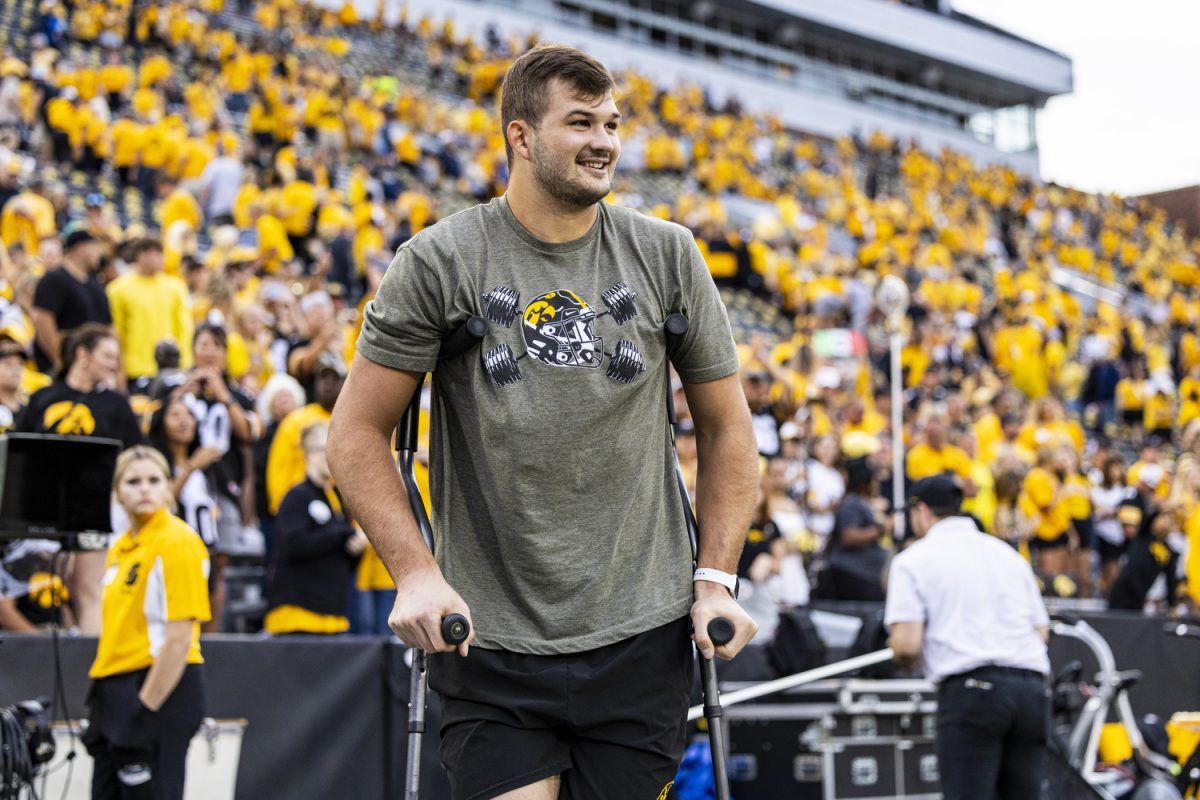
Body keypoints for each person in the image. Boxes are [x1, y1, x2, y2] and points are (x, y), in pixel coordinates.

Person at [328, 43, 758, 800]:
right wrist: (417, 575)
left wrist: (716, 580)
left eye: (613, 123)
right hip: (489, 636)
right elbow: (356, 433)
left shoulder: (668, 256)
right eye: (581, 122)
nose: (604, 142)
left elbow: (727, 429)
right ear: (520, 137)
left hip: (641, 633)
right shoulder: (438, 262)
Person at [884, 474, 1050, 800]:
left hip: (973, 692)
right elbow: (1040, 632)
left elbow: (906, 645)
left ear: (922, 510)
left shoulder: (913, 560)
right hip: (1031, 691)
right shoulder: (1007, 554)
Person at [83, 446, 209, 800]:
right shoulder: (121, 546)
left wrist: (145, 707)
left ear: (169, 488)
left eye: (154, 480)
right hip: (114, 688)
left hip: (158, 686)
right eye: (132, 481)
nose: (144, 489)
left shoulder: (177, 540)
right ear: (117, 492)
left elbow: (180, 638)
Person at [15, 323, 142, 634]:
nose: (114, 363)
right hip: (41, 511)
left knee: (89, 592)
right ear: (82, 354)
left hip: (93, 510)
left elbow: (136, 456)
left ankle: (89, 670)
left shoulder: (116, 404)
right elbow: (20, 453)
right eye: (108, 355)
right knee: (49, 588)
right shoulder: (43, 397)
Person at [264, 422, 366, 634]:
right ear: (309, 453)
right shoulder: (296, 497)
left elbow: (342, 558)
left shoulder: (336, 499)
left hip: (332, 616)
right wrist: (342, 534)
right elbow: (293, 544)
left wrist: (354, 548)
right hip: (297, 617)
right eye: (324, 449)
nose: (331, 456)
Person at [106, 237, 193, 390]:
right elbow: (115, 333)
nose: (161, 258)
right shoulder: (118, 289)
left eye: (161, 253)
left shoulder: (176, 287)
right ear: (141, 255)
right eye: (156, 253)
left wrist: (184, 365)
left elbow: (184, 328)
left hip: (171, 369)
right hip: (135, 370)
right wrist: (118, 371)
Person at [31, 228, 111, 373]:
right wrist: (60, 361)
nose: (99, 253)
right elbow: (42, 319)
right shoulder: (54, 279)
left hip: (94, 368)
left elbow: (108, 326)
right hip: (64, 368)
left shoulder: (95, 284)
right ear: (80, 248)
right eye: (94, 247)